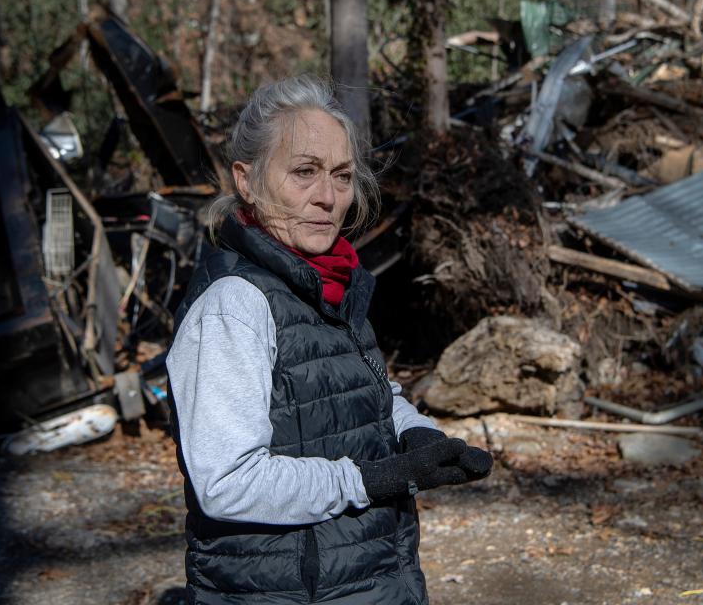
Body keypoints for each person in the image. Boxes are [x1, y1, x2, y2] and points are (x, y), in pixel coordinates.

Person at [166, 75, 493, 605]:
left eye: (342, 176)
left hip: (370, 577)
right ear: (246, 181)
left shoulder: (331, 284)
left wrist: (417, 435)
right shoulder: (235, 307)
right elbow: (227, 481)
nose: (328, 198)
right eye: (304, 172)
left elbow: (368, 396)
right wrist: (372, 479)